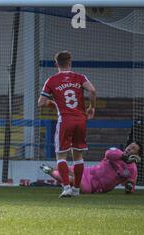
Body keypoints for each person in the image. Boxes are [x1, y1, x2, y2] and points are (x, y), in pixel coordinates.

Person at [38, 50, 97, 198]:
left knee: (61, 156)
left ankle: (66, 188)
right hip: (81, 120)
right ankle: (76, 189)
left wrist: (55, 103)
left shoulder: (51, 80)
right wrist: (92, 107)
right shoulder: (79, 77)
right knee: (78, 156)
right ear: (70, 63)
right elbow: (92, 90)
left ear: (56, 63)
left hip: (65, 120)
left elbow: (41, 103)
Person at [40, 142, 142, 194]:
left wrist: (129, 187)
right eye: (130, 146)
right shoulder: (117, 152)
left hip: (94, 186)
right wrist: (123, 157)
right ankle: (53, 170)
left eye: (133, 149)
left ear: (137, 155)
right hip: (88, 172)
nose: (129, 148)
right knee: (67, 170)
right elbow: (108, 153)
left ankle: (51, 172)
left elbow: (131, 185)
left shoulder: (132, 170)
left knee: (73, 181)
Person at [127, 97, 144, 186]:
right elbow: (130, 138)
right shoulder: (137, 121)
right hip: (137, 153)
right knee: (136, 174)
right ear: (143, 109)